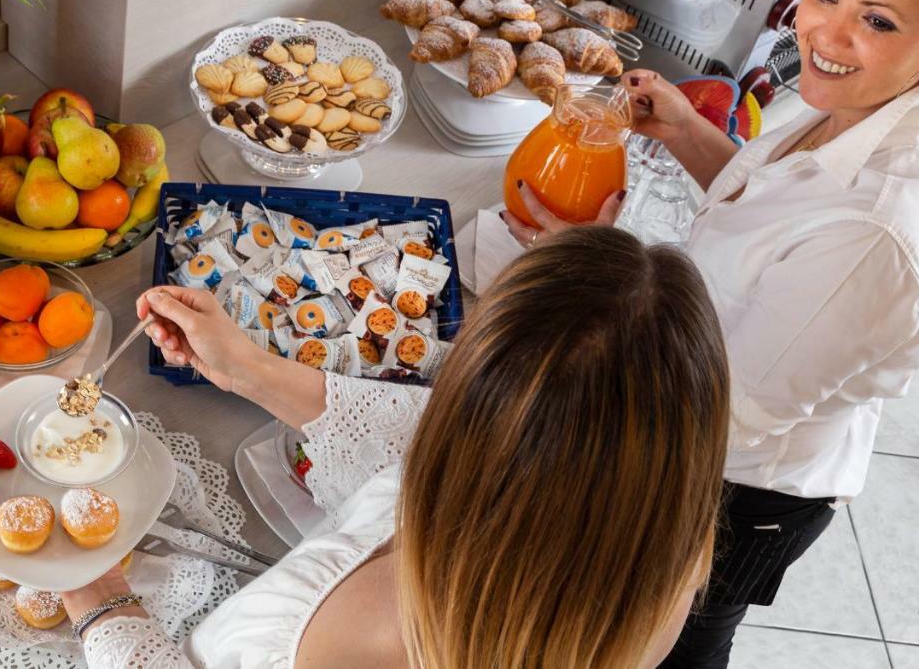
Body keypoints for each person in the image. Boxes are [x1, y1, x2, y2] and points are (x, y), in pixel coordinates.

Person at [502, 0, 919, 668]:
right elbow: (776, 212)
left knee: (671, 643)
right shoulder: (859, 103)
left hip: (729, 489)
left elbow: (724, 416)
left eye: (880, 21)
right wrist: (694, 134)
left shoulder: (877, 229)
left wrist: (590, 273)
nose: (826, 37)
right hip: (719, 418)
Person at [60, 227, 730, 668]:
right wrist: (249, 369)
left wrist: (99, 595)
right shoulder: (645, 545)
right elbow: (414, 431)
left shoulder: (378, 638)